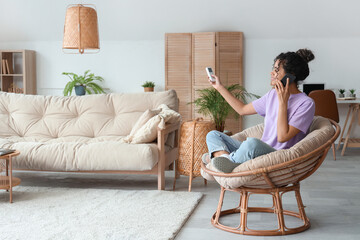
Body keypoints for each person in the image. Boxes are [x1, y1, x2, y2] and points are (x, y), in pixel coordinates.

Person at [203, 49, 316, 173]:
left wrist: (283, 102)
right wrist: (219, 87)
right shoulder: (272, 95)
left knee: (252, 143)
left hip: (277, 156)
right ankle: (225, 159)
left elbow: (283, 137)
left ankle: (219, 159)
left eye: (277, 70)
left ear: (290, 75)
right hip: (261, 150)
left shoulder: (306, 103)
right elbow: (242, 109)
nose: (271, 73)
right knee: (213, 135)